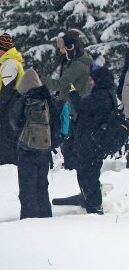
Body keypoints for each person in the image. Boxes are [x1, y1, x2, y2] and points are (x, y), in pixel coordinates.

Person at [10, 69, 58, 219]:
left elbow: (14, 122)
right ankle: (45, 215)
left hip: (26, 149)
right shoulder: (48, 100)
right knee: (42, 185)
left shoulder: (23, 100)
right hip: (44, 149)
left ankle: (29, 218)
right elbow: (56, 123)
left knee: (27, 186)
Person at [41, 30, 92, 169]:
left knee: (71, 138)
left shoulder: (77, 65)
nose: (61, 52)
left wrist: (40, 80)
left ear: (70, 48)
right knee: (71, 137)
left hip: (75, 105)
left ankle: (72, 165)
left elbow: (61, 83)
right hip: (74, 103)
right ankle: (72, 162)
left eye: (63, 48)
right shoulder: (78, 60)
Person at [72, 66, 116, 214]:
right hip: (95, 143)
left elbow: (80, 106)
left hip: (91, 144)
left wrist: (73, 94)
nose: (91, 82)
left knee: (88, 176)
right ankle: (92, 204)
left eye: (93, 79)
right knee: (90, 175)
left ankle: (94, 209)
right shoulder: (109, 94)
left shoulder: (101, 97)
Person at [0, 33, 24, 165]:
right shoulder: (10, 62)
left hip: (9, 107)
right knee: (9, 138)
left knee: (7, 139)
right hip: (11, 105)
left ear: (2, 48)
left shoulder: (10, 64)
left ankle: (8, 165)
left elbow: (7, 90)